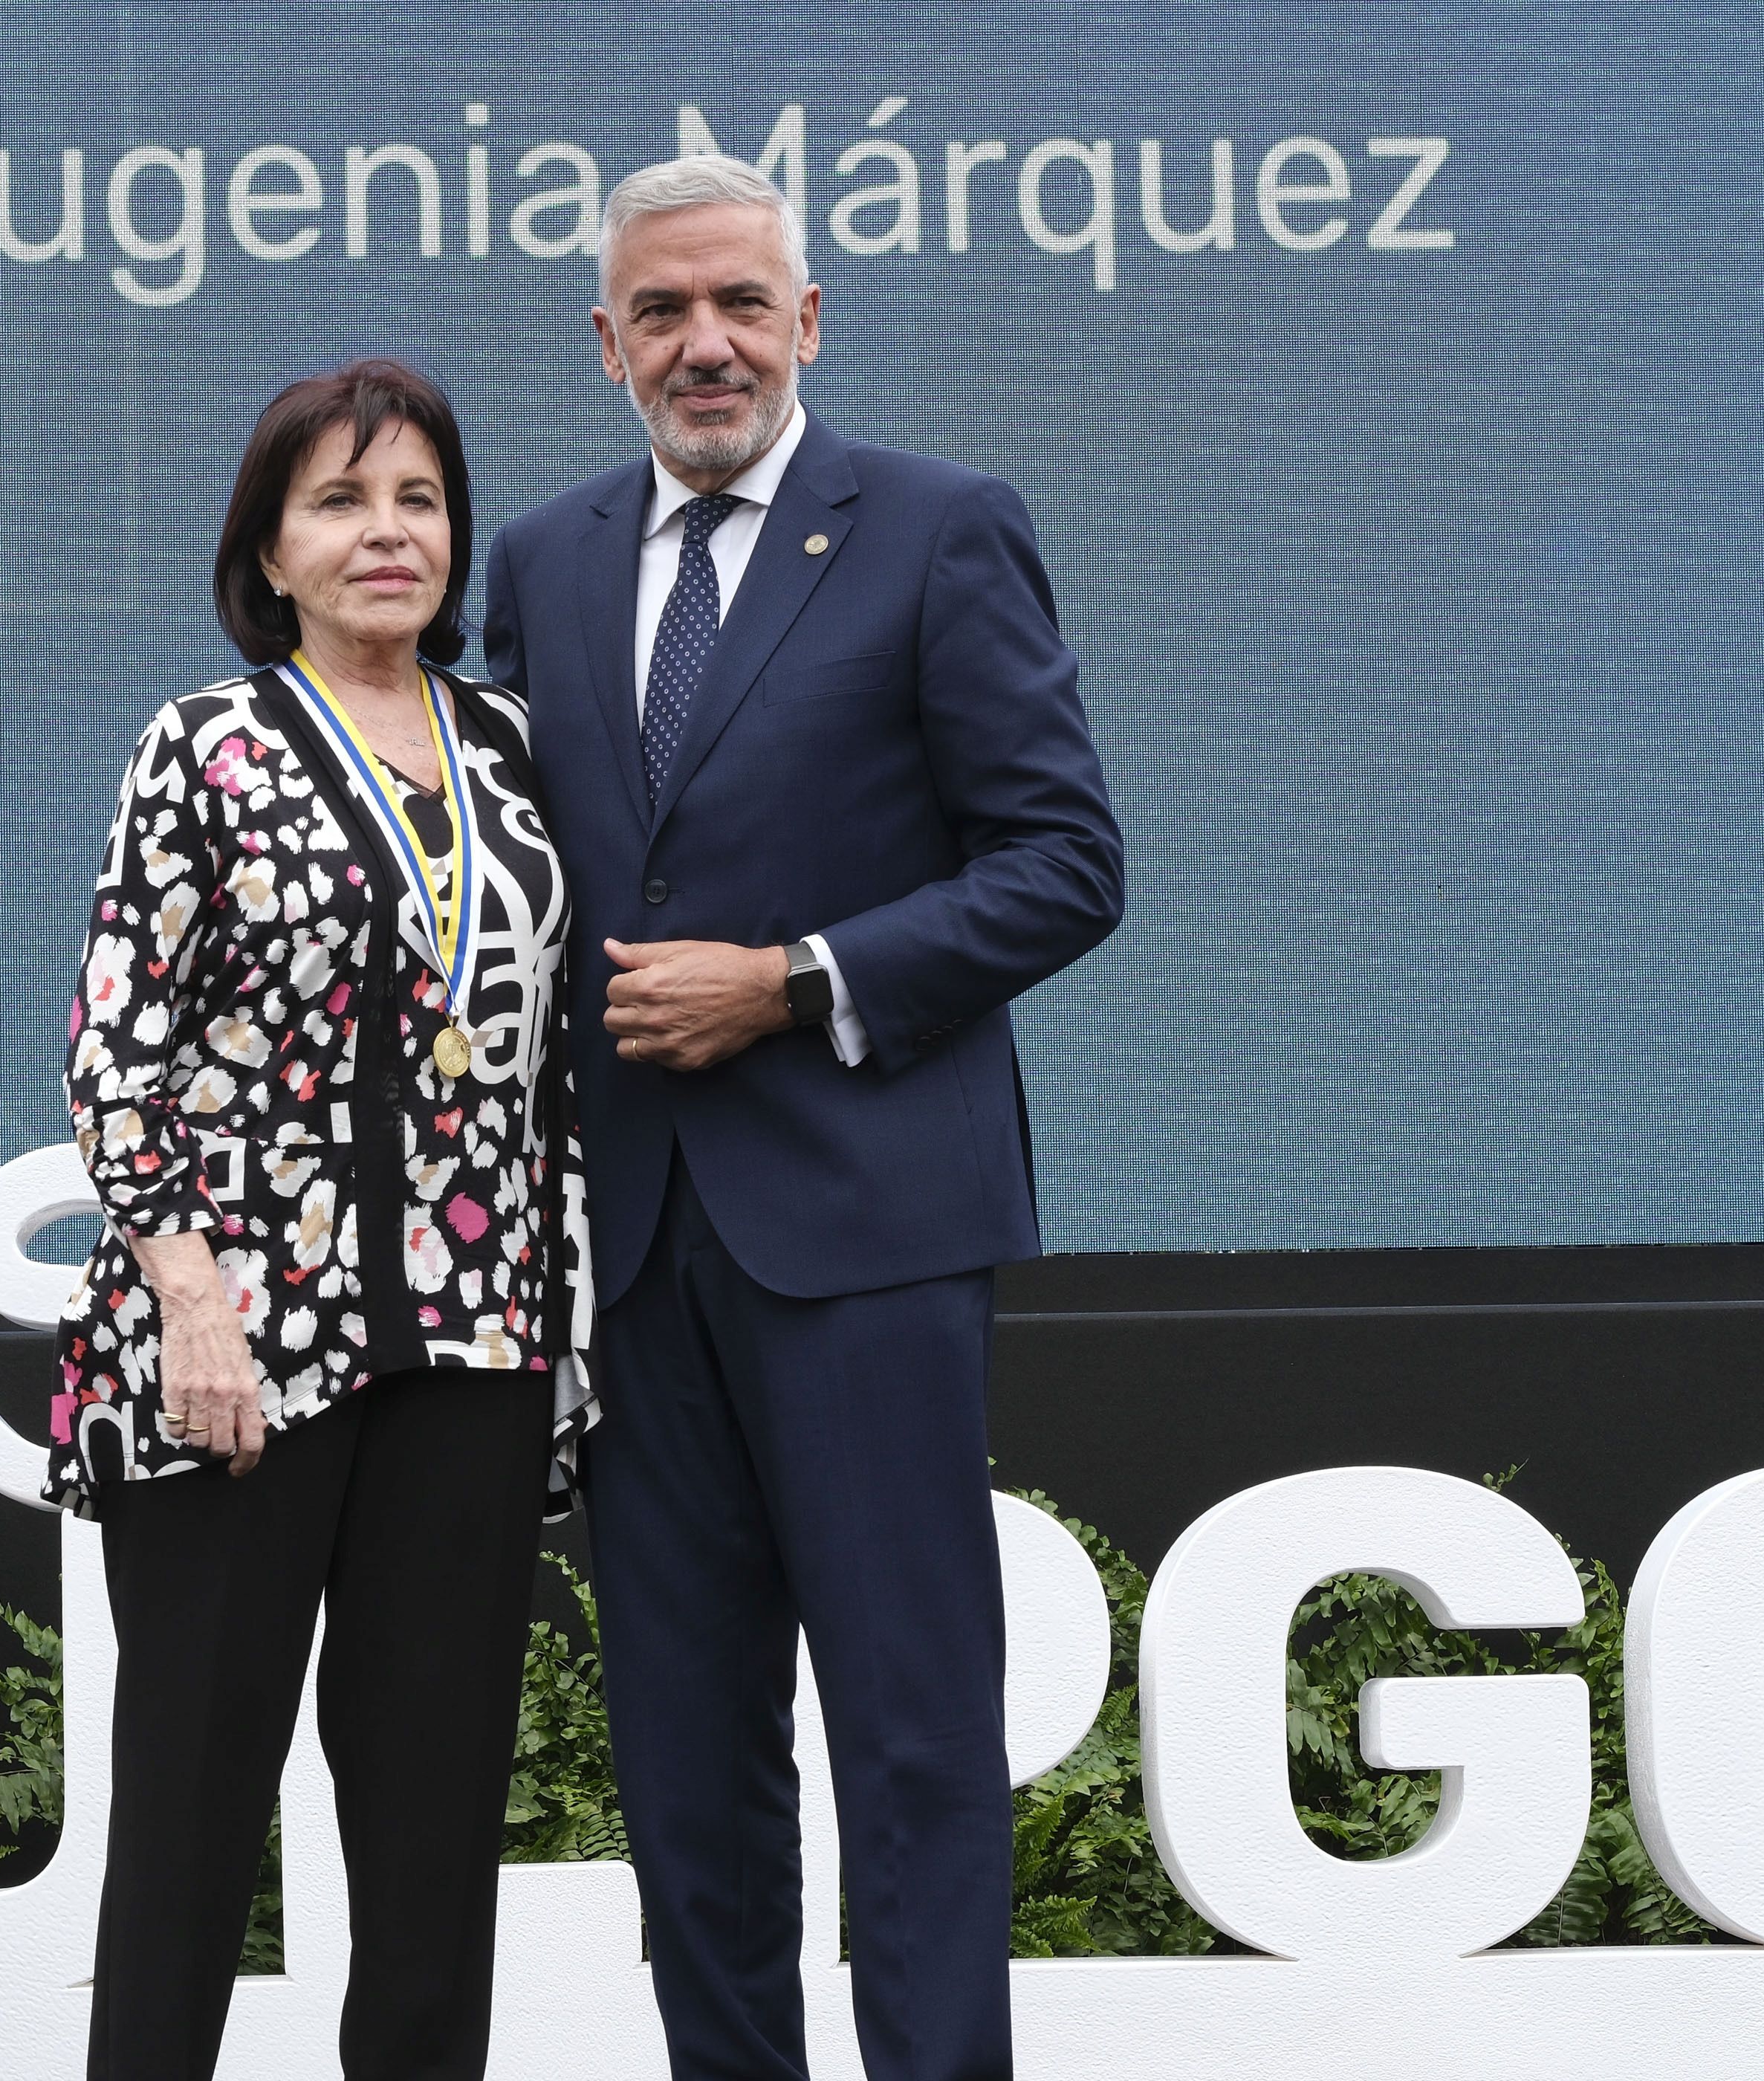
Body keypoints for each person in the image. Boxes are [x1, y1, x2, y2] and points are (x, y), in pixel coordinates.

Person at [481, 157, 1125, 2081]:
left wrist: (795, 977)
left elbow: (1065, 861)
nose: (708, 345)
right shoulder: (544, 561)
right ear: (605, 342)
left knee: (914, 1742)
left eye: (742, 305)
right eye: (663, 312)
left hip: (869, 1239)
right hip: (633, 1253)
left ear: (809, 321)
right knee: (686, 1767)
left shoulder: (939, 529)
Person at [56, 358, 593, 2081]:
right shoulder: (202, 745)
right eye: (341, 500)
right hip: (238, 1350)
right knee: (194, 1810)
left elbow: (562, 1056)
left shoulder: (522, 750)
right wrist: (190, 1299)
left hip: (480, 1342)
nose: (387, 532)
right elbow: (117, 1054)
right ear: (270, 550)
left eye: (419, 498)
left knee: (434, 1825)